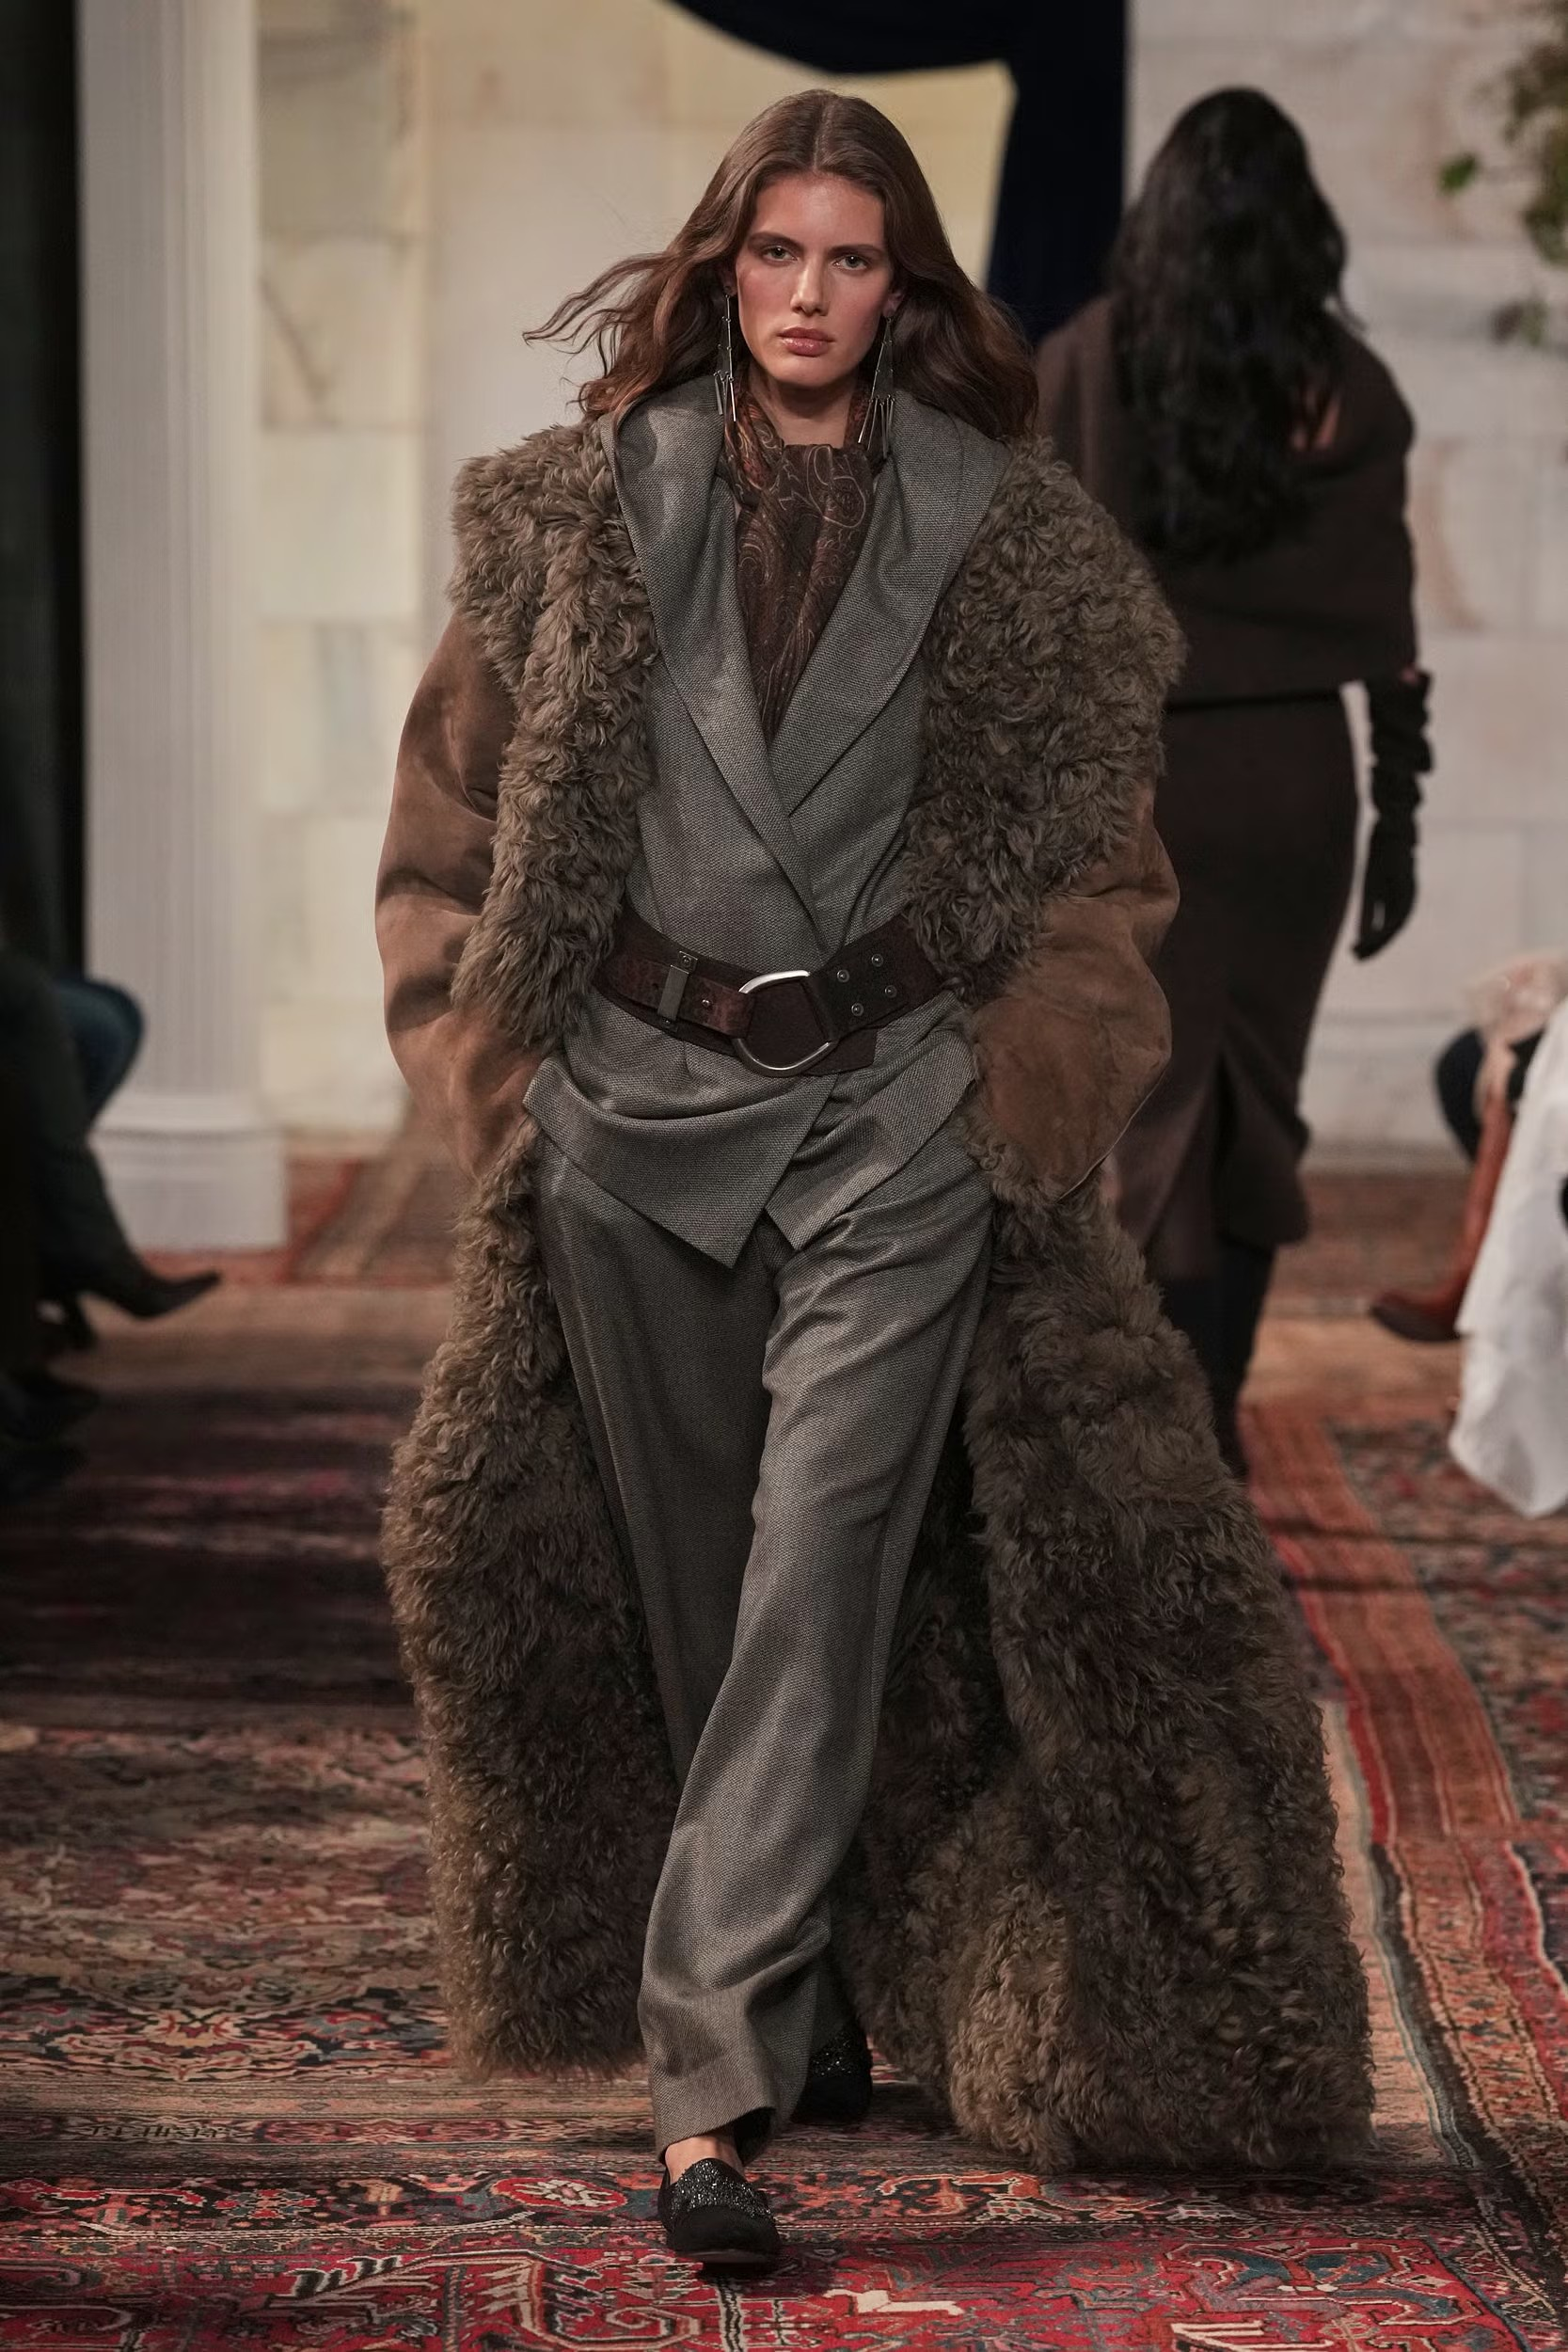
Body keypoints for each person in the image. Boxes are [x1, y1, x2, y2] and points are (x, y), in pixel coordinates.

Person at [376, 90, 1370, 2271]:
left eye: (849, 259)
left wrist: (1017, 1099)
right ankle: (799, 1982)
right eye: (773, 255)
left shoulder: (1004, 538)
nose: (806, 296)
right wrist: (498, 1086)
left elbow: (1104, 867)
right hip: (625, 1119)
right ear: (719, 268)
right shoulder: (573, 513)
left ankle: (704, 2101)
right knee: (699, 1597)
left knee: (819, 1569)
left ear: (901, 285)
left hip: (893, 1113)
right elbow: (446, 825)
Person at [1036, 89, 1431, 1473]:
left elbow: (1031, 600)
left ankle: (1174, 1435)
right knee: (1255, 1113)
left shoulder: (1088, 364)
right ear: (1298, 228)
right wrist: (1398, 827)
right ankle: (1214, 1422)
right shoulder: (1347, 391)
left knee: (1150, 1119)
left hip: (1144, 785)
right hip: (1296, 791)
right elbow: (1389, 632)